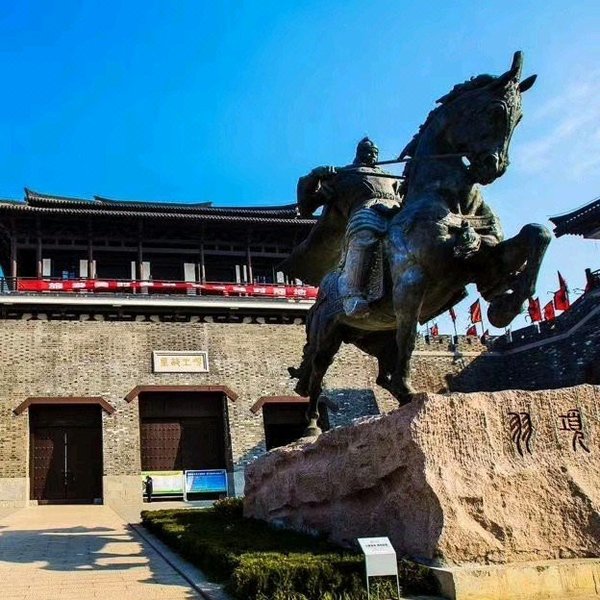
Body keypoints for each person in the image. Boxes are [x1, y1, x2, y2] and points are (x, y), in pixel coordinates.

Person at [284, 137, 403, 317]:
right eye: (368, 152)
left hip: (395, 214)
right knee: (364, 231)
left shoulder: (390, 177)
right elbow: (307, 207)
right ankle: (353, 293)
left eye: (375, 153)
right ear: (359, 153)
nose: (372, 156)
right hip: (365, 214)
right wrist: (314, 176)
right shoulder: (343, 176)